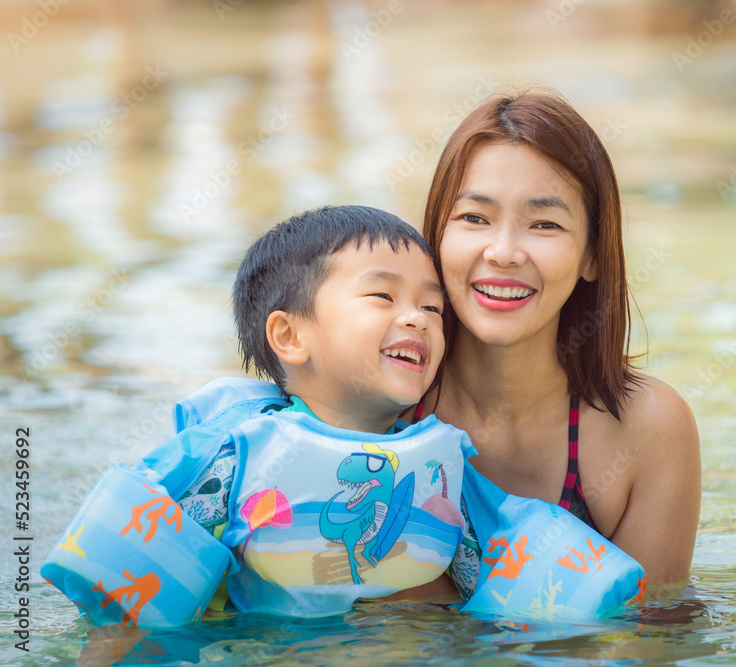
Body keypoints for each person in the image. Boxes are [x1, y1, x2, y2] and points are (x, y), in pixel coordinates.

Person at [43, 206, 474, 625]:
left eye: (432, 308)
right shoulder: (235, 459)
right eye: (383, 295)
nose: (417, 318)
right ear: (289, 336)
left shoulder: (444, 467)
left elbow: (489, 594)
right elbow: (123, 617)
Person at [411, 90, 701, 594]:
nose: (502, 253)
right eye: (474, 218)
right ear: (436, 236)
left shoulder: (646, 433)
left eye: (544, 224)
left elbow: (650, 639)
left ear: (592, 255)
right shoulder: (381, 410)